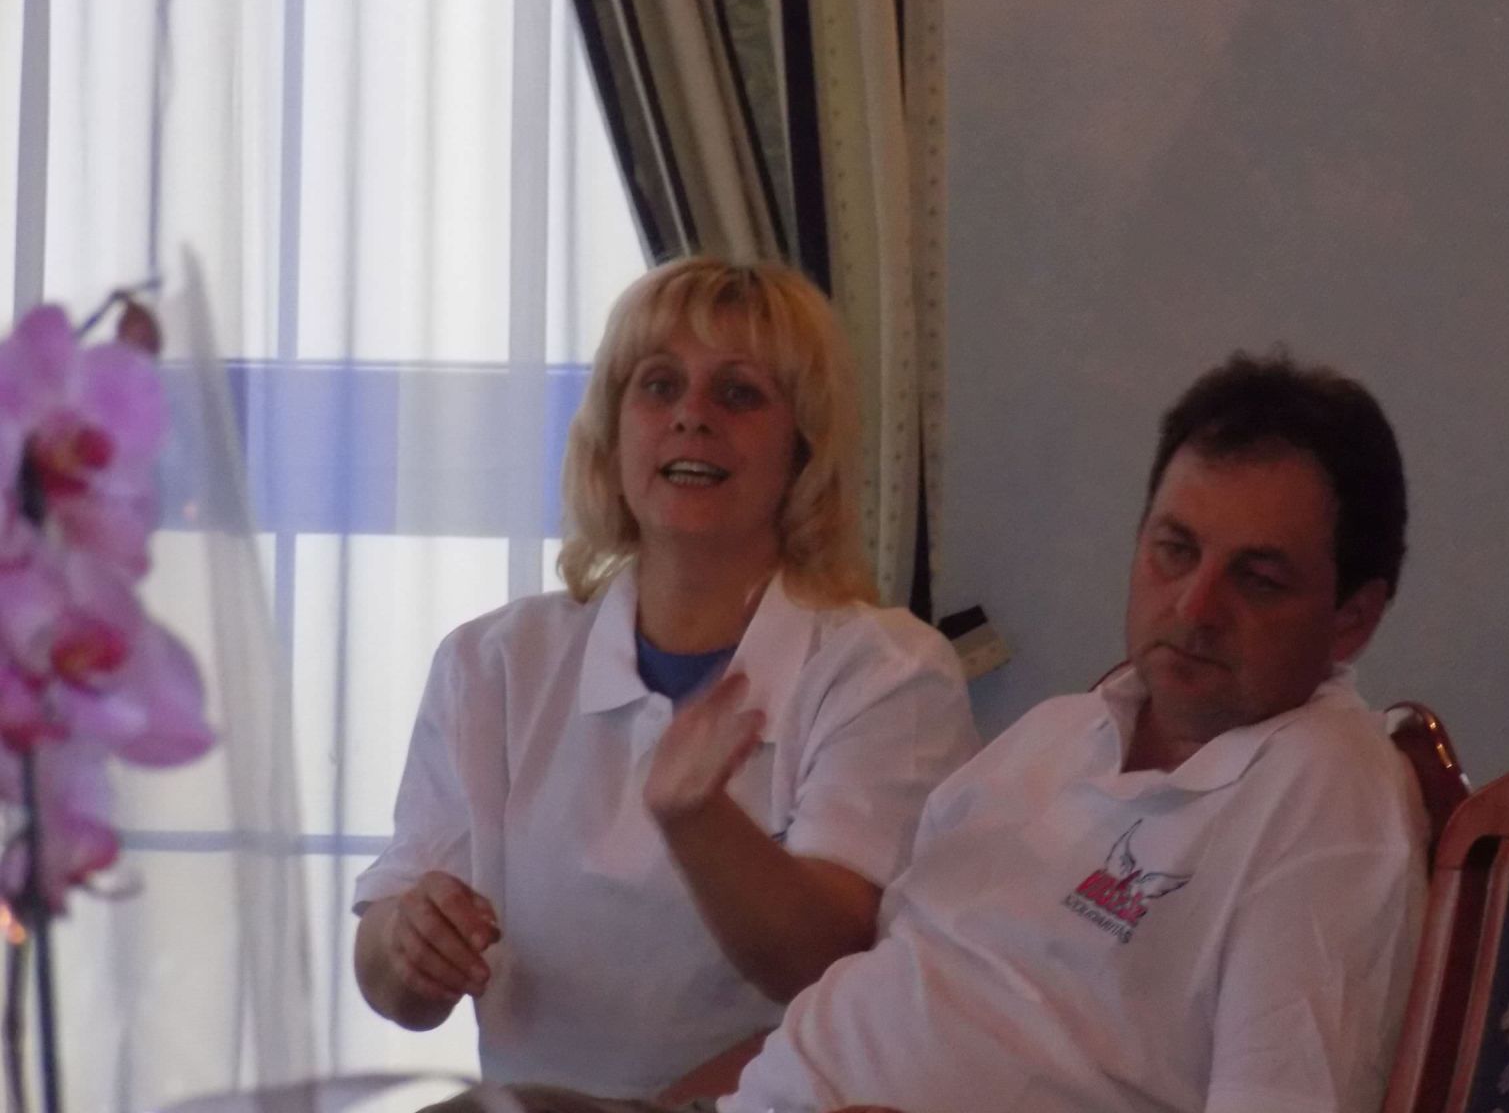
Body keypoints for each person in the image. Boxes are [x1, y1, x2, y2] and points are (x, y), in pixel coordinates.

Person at [437, 351, 1429, 1113]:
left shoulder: (1326, 797)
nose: (1195, 607)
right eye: (1174, 551)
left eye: (1258, 579)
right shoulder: (1057, 737)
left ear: (1352, 618)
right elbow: (877, 996)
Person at [352, 257, 977, 1098]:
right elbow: (390, 981)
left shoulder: (888, 672)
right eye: (658, 385)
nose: (691, 416)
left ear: (803, 449)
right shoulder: (491, 662)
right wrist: (407, 945)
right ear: (612, 435)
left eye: (739, 394)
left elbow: (828, 964)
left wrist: (696, 818)